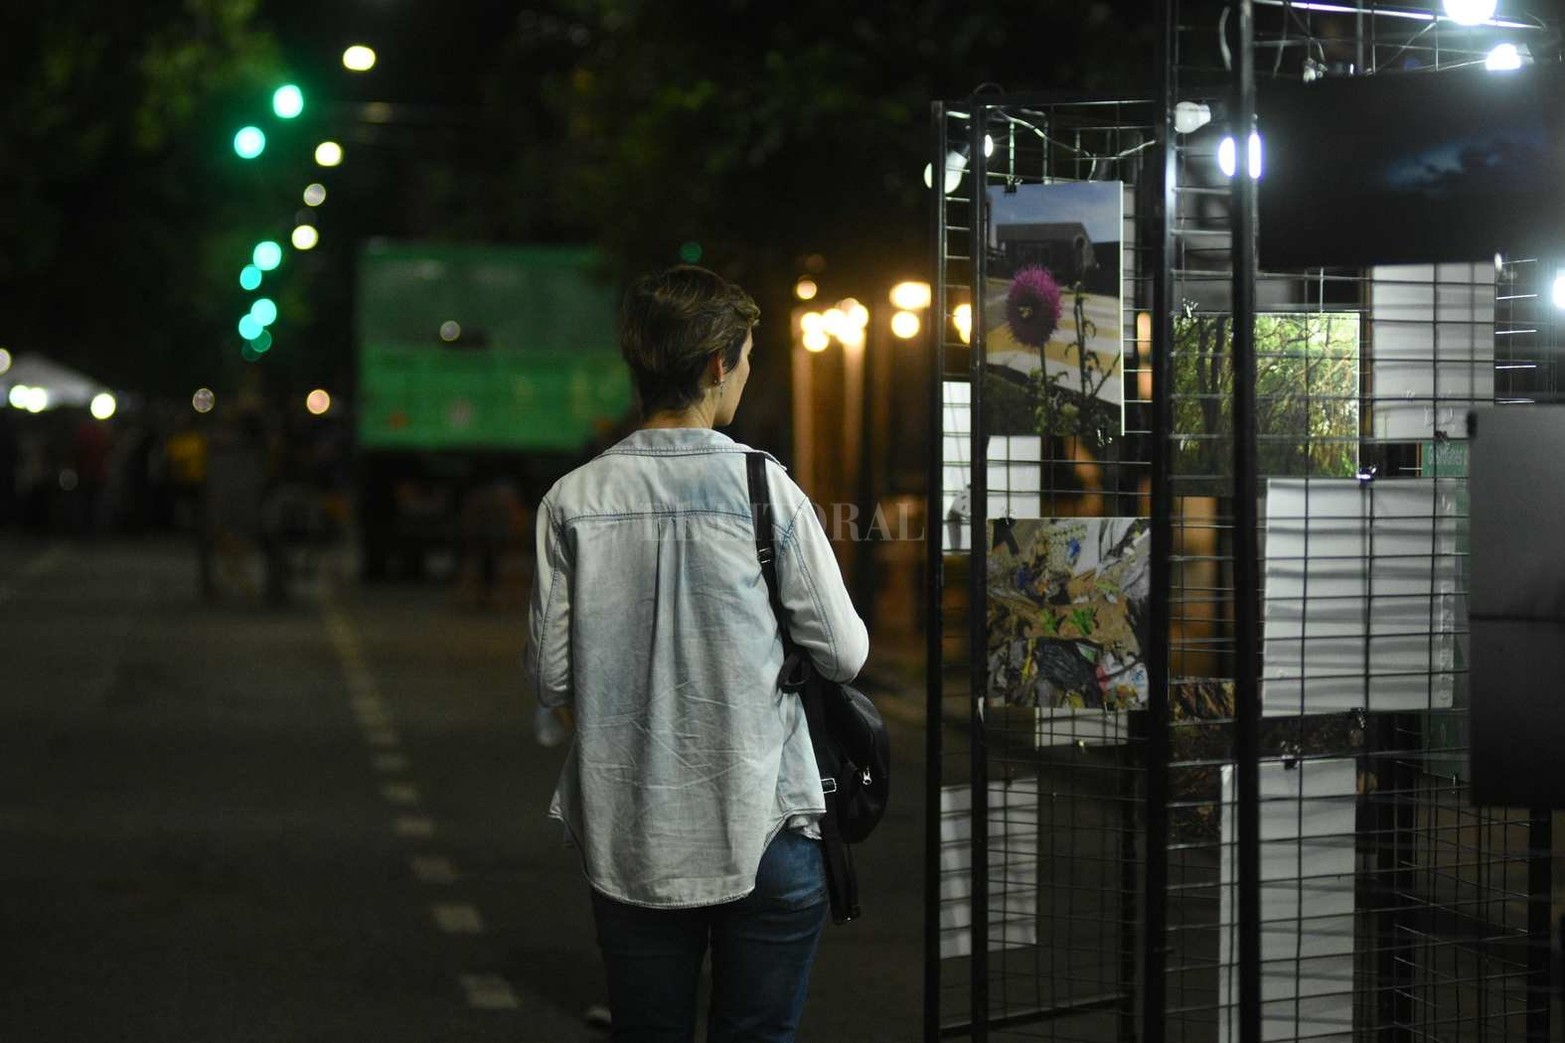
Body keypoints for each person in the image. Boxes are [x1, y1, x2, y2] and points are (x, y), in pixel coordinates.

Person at [525, 265, 868, 1043]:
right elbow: (844, 654)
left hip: (633, 836)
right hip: (767, 827)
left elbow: (548, 677)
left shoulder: (572, 499)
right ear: (718, 365)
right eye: (746, 358)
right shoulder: (764, 489)